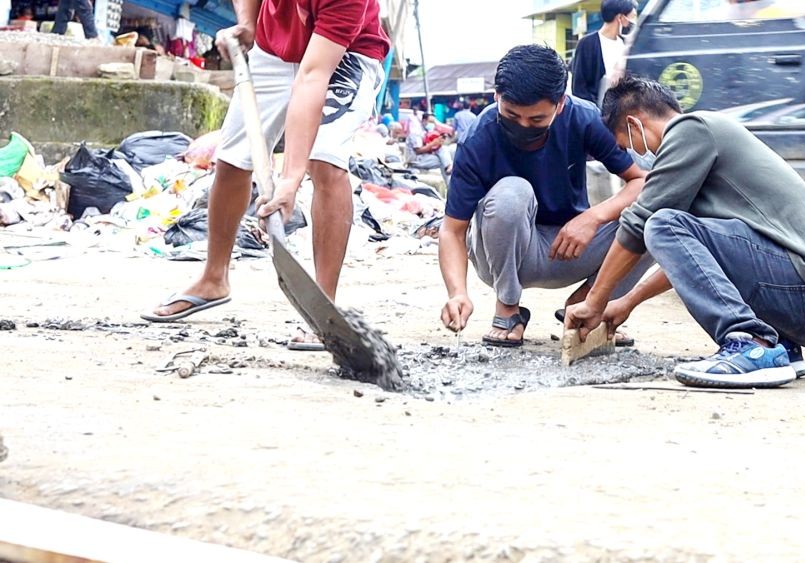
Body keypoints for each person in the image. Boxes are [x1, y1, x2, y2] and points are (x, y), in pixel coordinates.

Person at [565, 75, 805, 389]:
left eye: (627, 145)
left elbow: (641, 224)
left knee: (660, 223)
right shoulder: (701, 146)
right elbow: (694, 260)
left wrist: (595, 300)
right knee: (667, 226)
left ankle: (749, 343)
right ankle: (778, 348)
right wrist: (628, 302)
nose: (635, 154)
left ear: (636, 124)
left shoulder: (692, 130)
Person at [141, 0, 391, 353]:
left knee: (324, 159)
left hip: (345, 55)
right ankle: (214, 279)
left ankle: (323, 306)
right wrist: (248, 24)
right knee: (230, 161)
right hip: (274, 50)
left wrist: (290, 178)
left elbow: (313, 76)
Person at [439, 45, 654, 348]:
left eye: (537, 120)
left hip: (568, 248)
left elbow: (642, 182)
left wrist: (594, 217)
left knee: (656, 217)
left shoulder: (584, 118)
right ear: (496, 97)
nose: (523, 126)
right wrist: (457, 293)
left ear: (561, 105)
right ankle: (508, 310)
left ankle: (589, 305)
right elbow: (452, 230)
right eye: (511, 115)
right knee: (513, 192)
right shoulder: (479, 136)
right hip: (504, 255)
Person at [570, 0, 637, 105]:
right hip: (597, 114)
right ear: (620, 18)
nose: (633, 22)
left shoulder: (626, 44)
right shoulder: (587, 44)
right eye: (632, 17)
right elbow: (579, 88)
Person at [406, 111, 453, 177]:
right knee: (443, 161)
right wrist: (433, 144)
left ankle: (449, 167)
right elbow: (418, 151)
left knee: (444, 150)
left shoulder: (426, 131)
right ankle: (449, 168)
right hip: (416, 160)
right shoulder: (416, 131)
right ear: (424, 120)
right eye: (431, 122)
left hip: (424, 157)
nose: (432, 124)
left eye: (433, 122)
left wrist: (438, 143)